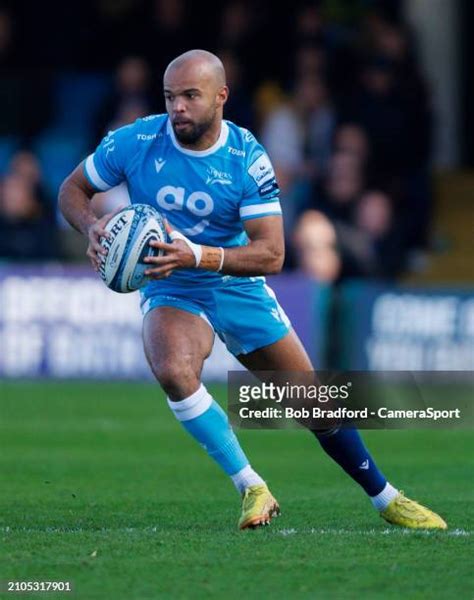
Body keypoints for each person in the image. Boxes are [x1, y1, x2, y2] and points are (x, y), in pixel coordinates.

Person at [59, 49, 446, 531]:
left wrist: (196, 254)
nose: (177, 107)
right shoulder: (135, 140)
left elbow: (272, 254)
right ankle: (251, 486)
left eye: (190, 96)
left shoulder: (246, 158)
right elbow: (72, 190)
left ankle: (386, 497)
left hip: (232, 281)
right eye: (170, 96)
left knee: (314, 404)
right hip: (173, 285)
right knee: (173, 369)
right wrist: (91, 226)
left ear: (220, 97)